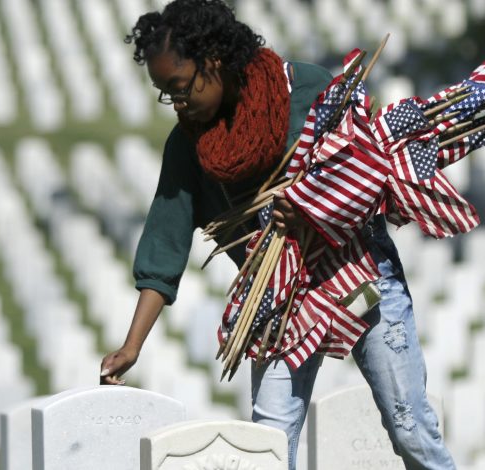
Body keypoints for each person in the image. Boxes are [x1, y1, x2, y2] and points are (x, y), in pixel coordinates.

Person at [99, 1, 457, 468]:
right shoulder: (189, 147)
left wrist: (312, 212)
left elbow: (371, 178)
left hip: (362, 276)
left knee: (410, 427)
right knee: (266, 446)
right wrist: (132, 347)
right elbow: (164, 243)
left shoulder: (304, 89)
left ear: (214, 61)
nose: (177, 103)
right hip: (278, 300)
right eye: (166, 94)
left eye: (181, 87)